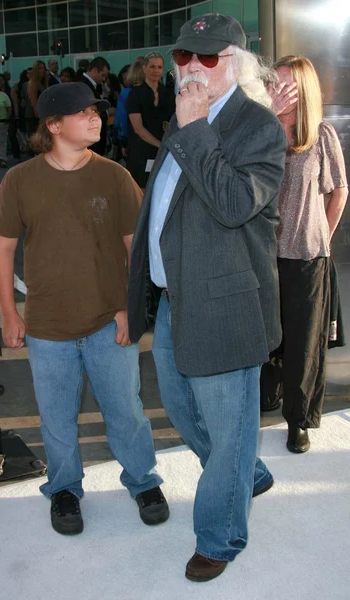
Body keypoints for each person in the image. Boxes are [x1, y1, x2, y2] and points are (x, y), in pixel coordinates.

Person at [128, 13, 287, 582]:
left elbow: (233, 204)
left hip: (225, 306)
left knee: (226, 430)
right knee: (184, 413)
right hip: (175, 301)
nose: (192, 66)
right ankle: (248, 471)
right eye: (182, 57)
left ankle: (220, 536)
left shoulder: (257, 126)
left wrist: (196, 130)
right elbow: (165, 210)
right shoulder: (182, 120)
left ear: (236, 65)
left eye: (209, 57)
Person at [0, 82, 169, 536]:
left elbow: (135, 251)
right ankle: (64, 489)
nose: (96, 119)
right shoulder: (20, 180)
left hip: (109, 322)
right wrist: (10, 313)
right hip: (47, 329)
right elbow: (2, 250)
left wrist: (131, 308)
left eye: (97, 112)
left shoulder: (114, 176)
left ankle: (143, 480)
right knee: (57, 417)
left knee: (126, 409)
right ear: (52, 125)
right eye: (84, 112)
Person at [260, 56, 348, 451]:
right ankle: (268, 390)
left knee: (304, 341)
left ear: (304, 87)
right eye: (273, 82)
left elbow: (339, 190)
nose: (278, 89)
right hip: (260, 253)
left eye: (286, 83)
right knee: (265, 334)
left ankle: (298, 420)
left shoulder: (321, 135)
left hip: (307, 255)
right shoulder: (259, 133)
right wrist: (267, 118)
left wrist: (324, 236)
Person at [126, 52, 175, 190]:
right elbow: (138, 128)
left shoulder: (168, 95)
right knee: (141, 193)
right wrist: (160, 145)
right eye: (152, 66)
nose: (156, 70)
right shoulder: (135, 94)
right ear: (144, 68)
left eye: (159, 67)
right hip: (141, 152)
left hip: (163, 152)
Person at [113, 60, 145, 159]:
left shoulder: (126, 94)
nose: (126, 81)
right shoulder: (158, 91)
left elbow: (121, 120)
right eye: (123, 79)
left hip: (133, 141)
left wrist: (123, 142)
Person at [81, 57, 110, 156]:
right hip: (91, 137)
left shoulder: (92, 85)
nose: (103, 79)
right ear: (94, 70)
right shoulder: (84, 85)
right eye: (103, 75)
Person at [24, 60, 48, 144]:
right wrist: (39, 118)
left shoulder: (41, 83)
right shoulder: (32, 83)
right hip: (34, 115)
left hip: (41, 114)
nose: (42, 70)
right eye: (40, 68)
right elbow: (33, 102)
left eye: (43, 68)